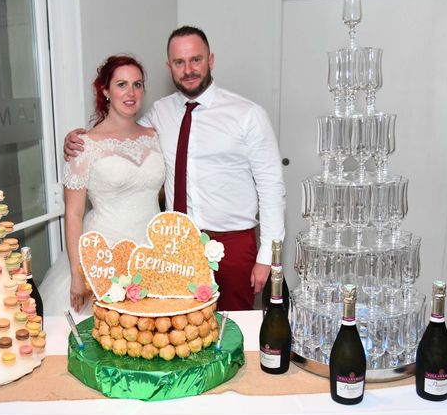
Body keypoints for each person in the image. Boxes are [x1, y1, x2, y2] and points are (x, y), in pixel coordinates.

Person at [64, 26, 285, 311]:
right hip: (170, 249)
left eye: (196, 59)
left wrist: (267, 256)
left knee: (232, 328)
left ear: (211, 60)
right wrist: (73, 142)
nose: (188, 69)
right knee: (178, 332)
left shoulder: (247, 115)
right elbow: (117, 137)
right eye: (179, 63)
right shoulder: (159, 113)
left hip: (232, 244)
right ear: (169, 67)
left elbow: (271, 187)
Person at [41, 55, 165, 314]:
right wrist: (77, 275)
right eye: (121, 84)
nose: (130, 93)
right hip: (104, 257)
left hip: (152, 255)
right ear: (105, 90)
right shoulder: (85, 145)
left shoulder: (154, 136)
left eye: (137, 84)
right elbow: (73, 214)